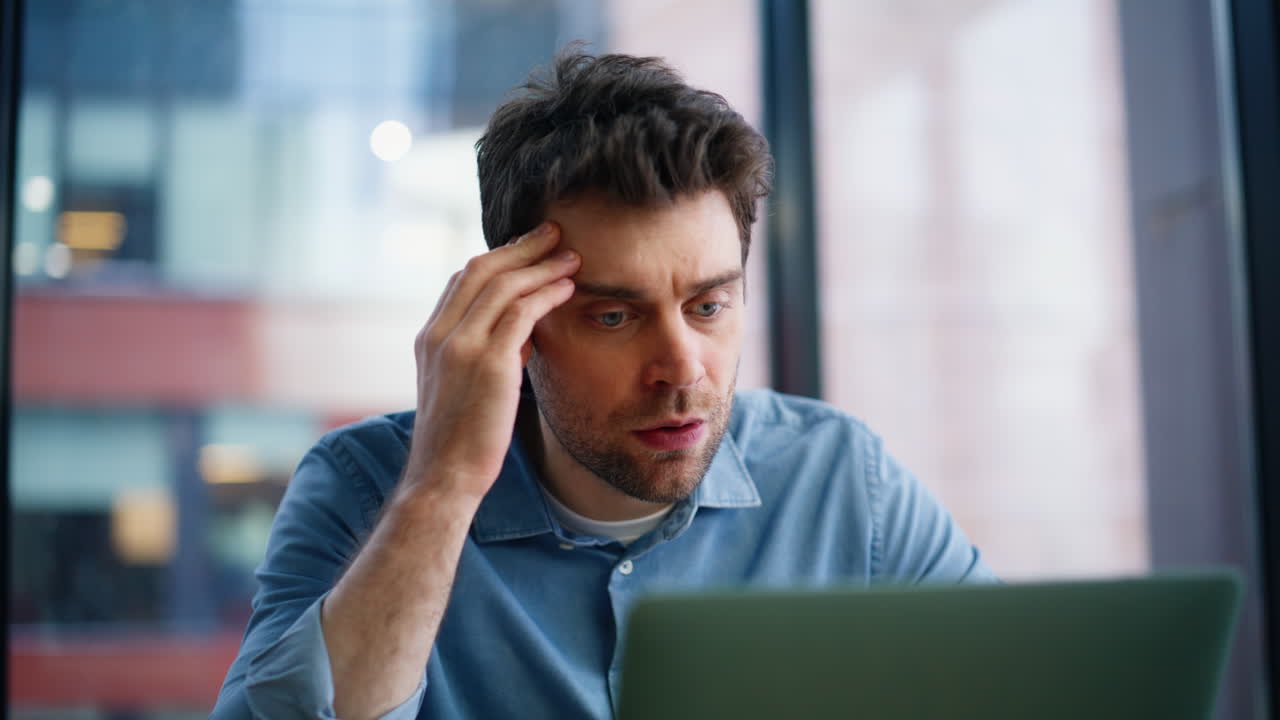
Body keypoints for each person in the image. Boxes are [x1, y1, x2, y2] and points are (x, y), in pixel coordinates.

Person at [210, 48, 994, 720]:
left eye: (709, 305)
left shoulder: (844, 483)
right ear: (516, 319)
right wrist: (443, 487)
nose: (683, 367)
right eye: (615, 317)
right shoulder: (364, 488)